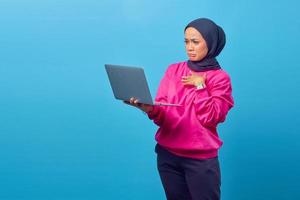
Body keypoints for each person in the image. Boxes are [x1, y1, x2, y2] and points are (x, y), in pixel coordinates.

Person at [125, 18, 234, 200]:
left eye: (195, 42)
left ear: (211, 43)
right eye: (186, 41)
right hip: (167, 155)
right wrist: (149, 108)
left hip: (199, 160)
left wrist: (200, 87)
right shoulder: (173, 70)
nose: (189, 47)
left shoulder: (219, 78)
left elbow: (212, 117)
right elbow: (163, 116)